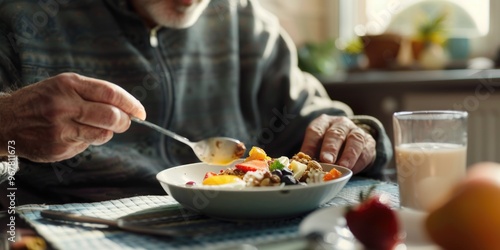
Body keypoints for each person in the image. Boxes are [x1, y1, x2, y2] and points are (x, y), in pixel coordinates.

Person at [0, 0, 392, 206]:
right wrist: (6, 126)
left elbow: (313, 119)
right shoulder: (21, 17)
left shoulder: (245, 22)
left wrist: (356, 133)